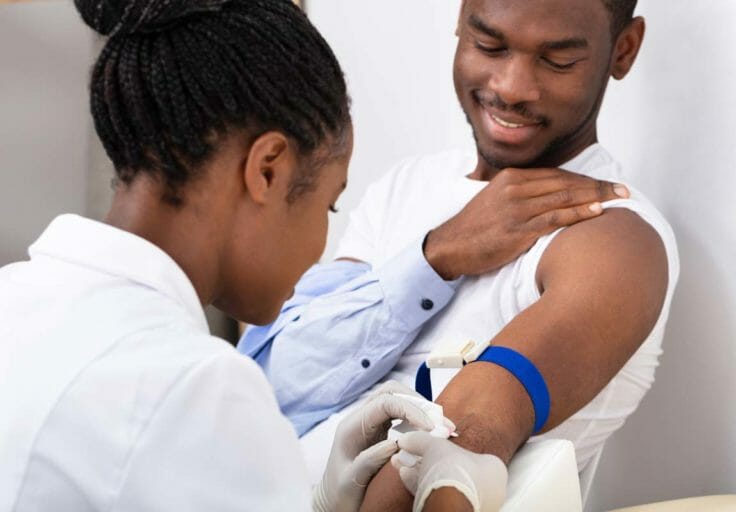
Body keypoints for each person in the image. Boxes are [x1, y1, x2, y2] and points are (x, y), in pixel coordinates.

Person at [0, 1, 510, 511]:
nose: (319, 249)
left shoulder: (16, 299)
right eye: (327, 205)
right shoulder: (199, 390)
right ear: (267, 169)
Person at [238, 0, 681, 510]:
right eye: (489, 45)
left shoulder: (612, 235)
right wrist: (438, 255)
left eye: (557, 60)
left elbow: (448, 453)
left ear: (622, 51)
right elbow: (271, 383)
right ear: (460, 21)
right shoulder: (404, 187)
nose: (512, 87)